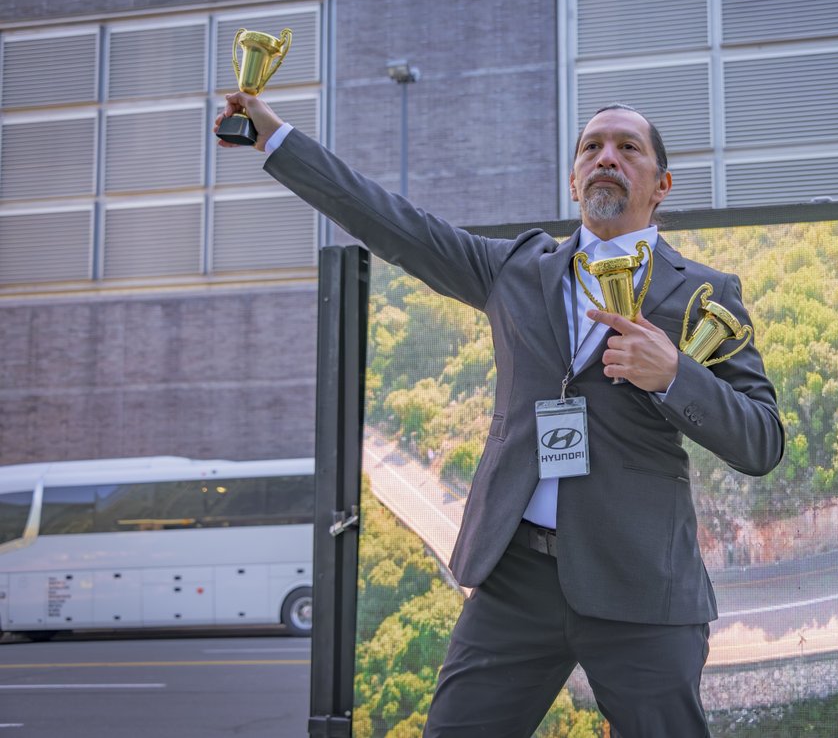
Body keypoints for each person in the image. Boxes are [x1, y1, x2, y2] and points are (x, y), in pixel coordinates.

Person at [215, 93, 784, 737]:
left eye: (629, 148)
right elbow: (393, 224)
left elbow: (762, 442)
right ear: (573, 180)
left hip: (641, 582)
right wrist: (276, 140)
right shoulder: (512, 268)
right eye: (591, 148)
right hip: (517, 577)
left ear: (661, 185)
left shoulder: (705, 293)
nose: (606, 158)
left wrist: (674, 375)